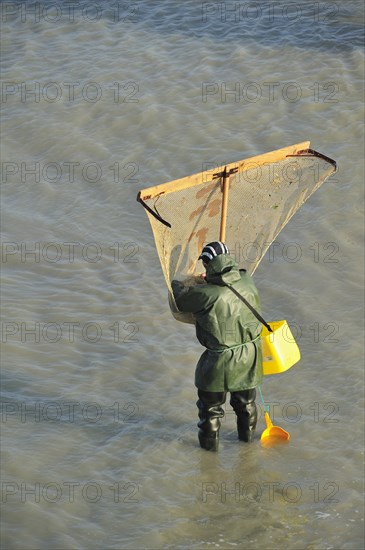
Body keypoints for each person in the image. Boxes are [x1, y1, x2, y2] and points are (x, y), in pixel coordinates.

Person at [171, 241, 263, 451]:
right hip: (250, 355)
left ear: (207, 264)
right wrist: (211, 279)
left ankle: (209, 461)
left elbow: (180, 298)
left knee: (210, 410)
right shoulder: (247, 280)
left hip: (220, 360)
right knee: (246, 406)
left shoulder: (207, 295)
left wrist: (194, 282)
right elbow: (232, 282)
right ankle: (246, 449)